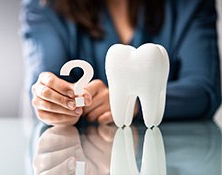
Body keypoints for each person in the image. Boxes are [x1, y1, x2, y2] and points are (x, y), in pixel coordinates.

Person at [22, 0, 221, 126]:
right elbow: (46, 81)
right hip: (79, 153)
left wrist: (132, 101)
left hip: (171, 156)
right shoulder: (45, 6)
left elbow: (204, 88)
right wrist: (52, 100)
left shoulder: (190, 4)